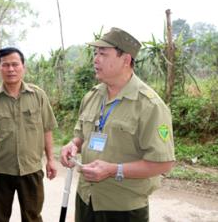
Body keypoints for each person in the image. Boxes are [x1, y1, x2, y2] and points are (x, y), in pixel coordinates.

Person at [60, 27, 175, 222]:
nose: (95, 59)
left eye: (103, 54)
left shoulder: (149, 105)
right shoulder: (92, 96)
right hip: (86, 199)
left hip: (123, 208)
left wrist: (113, 170)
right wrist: (72, 145)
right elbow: (81, 136)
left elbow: (163, 163)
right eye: (95, 54)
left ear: (126, 60)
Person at [0, 47, 58, 222]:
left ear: (23, 67)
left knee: (33, 217)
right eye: (5, 65)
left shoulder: (38, 96)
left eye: (15, 64)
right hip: (0, 171)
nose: (10, 69)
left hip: (31, 169)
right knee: (0, 217)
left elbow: (47, 129)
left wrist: (51, 160)